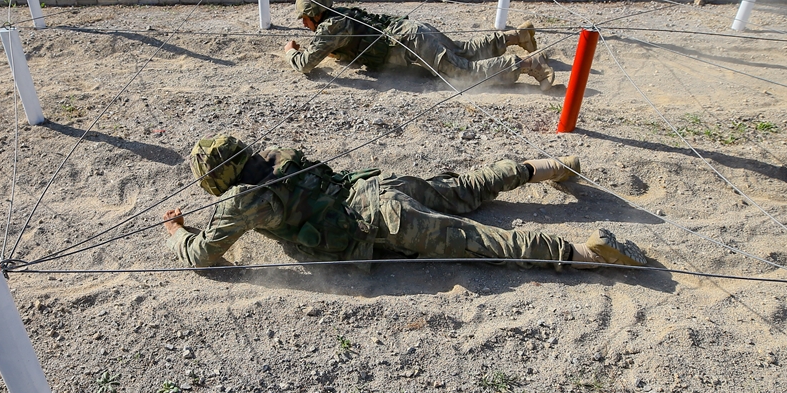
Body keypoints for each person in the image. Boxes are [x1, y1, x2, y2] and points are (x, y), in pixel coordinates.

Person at [163, 135, 648, 272]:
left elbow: (207, 254)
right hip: (380, 186)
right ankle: (549, 166)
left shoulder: (238, 204)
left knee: (480, 242)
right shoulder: (279, 155)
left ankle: (587, 253)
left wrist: (179, 234)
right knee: (466, 187)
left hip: (379, 220)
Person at [282, 0, 557, 92]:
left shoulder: (330, 29)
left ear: (313, 15)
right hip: (412, 30)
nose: (304, 25)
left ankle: (528, 63)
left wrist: (290, 52)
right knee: (464, 51)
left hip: (412, 43)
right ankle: (517, 35)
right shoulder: (339, 16)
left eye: (304, 20)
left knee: (465, 72)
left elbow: (307, 63)